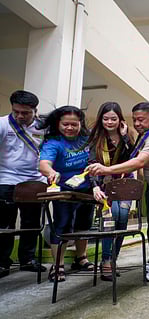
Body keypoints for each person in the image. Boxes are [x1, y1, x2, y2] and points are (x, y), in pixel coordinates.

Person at [87, 102, 149, 282]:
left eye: (141, 120)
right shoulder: (142, 135)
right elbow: (133, 153)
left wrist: (106, 170)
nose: (137, 124)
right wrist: (125, 137)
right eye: (135, 120)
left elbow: (139, 162)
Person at [38, 105, 95, 282]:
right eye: (65, 124)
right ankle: (57, 265)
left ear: (80, 124)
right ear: (58, 124)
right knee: (62, 225)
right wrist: (50, 172)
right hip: (64, 190)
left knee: (84, 224)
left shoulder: (87, 139)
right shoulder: (53, 143)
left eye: (74, 124)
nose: (70, 128)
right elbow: (44, 164)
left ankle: (81, 258)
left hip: (87, 189)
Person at [0, 90, 47, 278]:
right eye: (16, 111)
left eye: (25, 113)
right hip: (6, 180)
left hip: (34, 182)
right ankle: (2, 262)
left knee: (32, 223)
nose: (20, 116)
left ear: (35, 111)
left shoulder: (44, 128)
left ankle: (28, 259)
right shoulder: (3, 124)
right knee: (4, 224)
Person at [86, 102, 135, 281]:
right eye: (106, 118)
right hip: (104, 186)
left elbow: (133, 158)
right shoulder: (96, 139)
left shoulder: (127, 136)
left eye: (113, 118)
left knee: (122, 219)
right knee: (110, 219)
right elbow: (91, 165)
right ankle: (106, 261)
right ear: (101, 119)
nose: (109, 122)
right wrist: (95, 187)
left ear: (120, 119)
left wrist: (124, 137)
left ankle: (112, 259)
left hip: (124, 184)